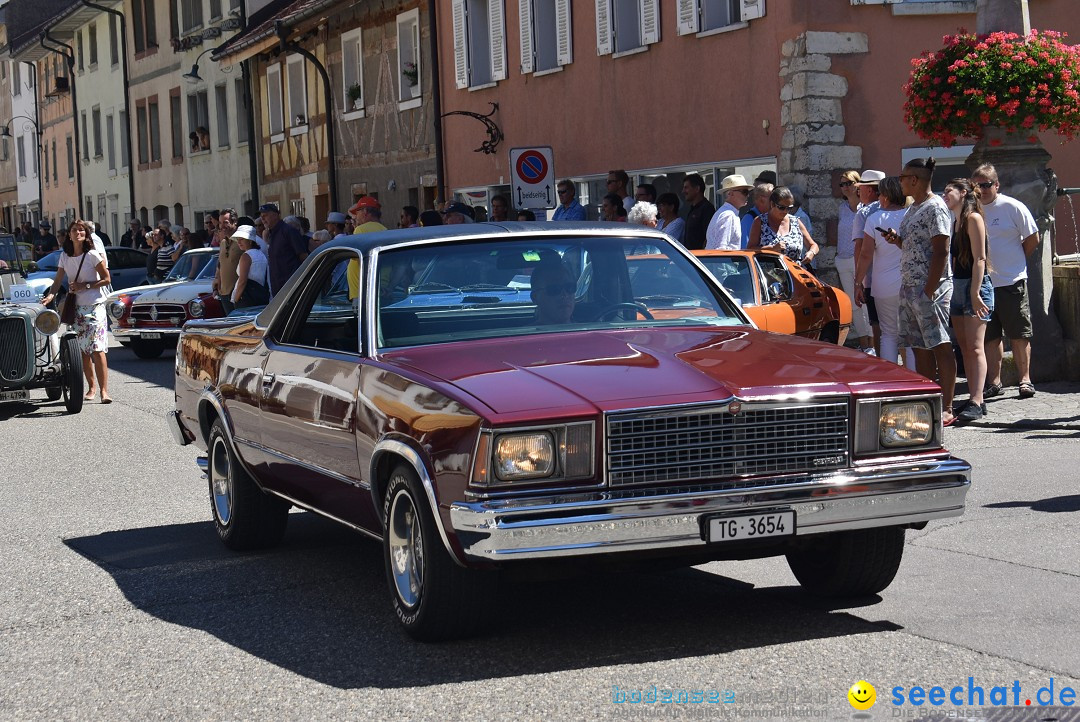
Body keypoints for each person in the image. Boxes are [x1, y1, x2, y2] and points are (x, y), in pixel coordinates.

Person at [890, 157, 957, 424]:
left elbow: (941, 250)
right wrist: (898, 241)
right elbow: (915, 246)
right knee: (919, 346)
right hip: (910, 287)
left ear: (914, 180)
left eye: (903, 177)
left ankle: (948, 406)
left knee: (939, 344)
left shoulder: (935, 207)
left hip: (931, 288)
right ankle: (930, 402)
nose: (901, 181)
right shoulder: (913, 208)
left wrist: (929, 290)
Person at [971, 163, 1039, 400]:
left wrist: (1016, 261)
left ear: (996, 184)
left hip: (1011, 280)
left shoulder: (1011, 206)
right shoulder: (973, 210)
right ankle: (994, 382)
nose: (982, 190)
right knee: (990, 336)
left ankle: (1025, 380)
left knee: (1019, 334)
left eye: (986, 184)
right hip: (984, 284)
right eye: (977, 186)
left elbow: (1032, 237)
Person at [40, 220, 112, 403]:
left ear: (86, 235)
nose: (78, 233)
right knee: (82, 351)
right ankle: (91, 388)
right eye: (75, 230)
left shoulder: (93, 255)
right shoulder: (65, 256)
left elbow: (106, 279)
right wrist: (50, 296)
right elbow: (57, 280)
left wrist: (85, 285)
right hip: (77, 308)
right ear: (69, 235)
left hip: (95, 306)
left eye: (82, 230)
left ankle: (104, 392)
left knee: (97, 349)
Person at [944, 178, 993, 423]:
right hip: (958, 286)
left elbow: (980, 259)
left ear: (963, 193)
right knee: (964, 349)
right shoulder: (956, 221)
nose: (945, 194)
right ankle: (975, 399)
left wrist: (975, 293)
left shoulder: (973, 218)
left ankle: (977, 399)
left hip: (976, 286)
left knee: (975, 347)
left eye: (949, 191)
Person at [855, 177, 908, 367]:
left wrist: (857, 282)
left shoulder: (874, 219)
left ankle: (891, 378)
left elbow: (865, 254)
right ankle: (914, 378)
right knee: (908, 335)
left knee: (888, 334)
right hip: (908, 282)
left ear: (884, 196)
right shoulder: (910, 215)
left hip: (882, 284)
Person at [835, 171, 873, 352]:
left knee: (865, 302)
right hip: (842, 259)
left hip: (858, 259)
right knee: (853, 304)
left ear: (857, 185)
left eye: (848, 183)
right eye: (842, 184)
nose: (845, 187)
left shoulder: (866, 208)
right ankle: (863, 342)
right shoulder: (842, 208)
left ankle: (873, 343)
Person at [853, 169, 887, 355]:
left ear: (869, 190)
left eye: (861, 187)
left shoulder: (864, 214)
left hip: (873, 278)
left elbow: (859, 249)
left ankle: (884, 365)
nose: (859, 191)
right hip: (896, 276)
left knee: (878, 325)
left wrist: (858, 282)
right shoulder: (900, 209)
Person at [748, 186, 819, 264]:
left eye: (789, 208)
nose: (785, 211)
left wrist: (811, 253)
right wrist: (771, 248)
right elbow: (750, 249)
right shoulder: (760, 221)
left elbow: (813, 245)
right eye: (781, 208)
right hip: (767, 273)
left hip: (793, 272)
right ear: (772, 204)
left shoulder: (795, 221)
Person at [260, 202, 308, 297]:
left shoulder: (288, 231)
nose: (262, 219)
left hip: (290, 286)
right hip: (277, 288)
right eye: (261, 216)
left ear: (275, 215)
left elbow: (303, 257)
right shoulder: (270, 234)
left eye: (265, 215)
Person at [346, 197, 388, 300]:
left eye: (358, 212)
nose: (356, 216)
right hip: (379, 287)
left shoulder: (360, 230)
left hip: (362, 291)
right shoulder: (385, 230)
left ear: (365, 212)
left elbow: (358, 258)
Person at [706, 175, 752, 250]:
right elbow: (720, 249)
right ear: (730, 194)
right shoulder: (728, 215)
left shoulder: (726, 213)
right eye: (745, 192)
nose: (748, 195)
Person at [230, 225, 271, 309]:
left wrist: (236, 300)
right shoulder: (261, 254)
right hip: (260, 296)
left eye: (242, 239)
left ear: (250, 240)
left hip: (246, 298)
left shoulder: (246, 256)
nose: (239, 242)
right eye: (238, 239)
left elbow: (242, 281)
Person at [530, 260, 577, 325]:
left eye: (569, 287)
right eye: (554, 289)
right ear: (535, 297)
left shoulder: (590, 329)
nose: (565, 295)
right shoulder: (523, 334)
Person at [681, 174, 715, 251]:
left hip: (699, 259)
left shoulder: (707, 208)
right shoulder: (693, 209)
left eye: (686, 188)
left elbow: (708, 238)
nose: (683, 191)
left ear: (697, 189)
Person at [741, 183, 774, 248]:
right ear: (762, 199)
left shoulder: (771, 217)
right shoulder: (749, 218)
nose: (775, 201)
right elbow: (745, 248)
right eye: (772, 197)